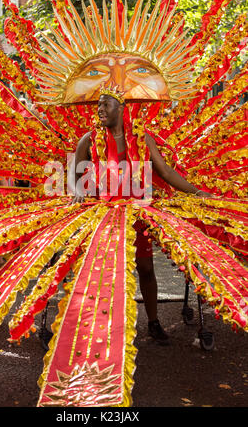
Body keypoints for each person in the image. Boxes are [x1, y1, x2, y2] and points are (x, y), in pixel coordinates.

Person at [69, 92, 212, 345]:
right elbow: (76, 172)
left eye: (105, 104)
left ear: (120, 108)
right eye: (98, 104)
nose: (100, 109)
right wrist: (79, 191)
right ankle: (105, 328)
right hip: (105, 218)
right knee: (105, 273)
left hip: (137, 213)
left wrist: (196, 191)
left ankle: (153, 321)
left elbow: (165, 171)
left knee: (146, 268)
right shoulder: (88, 140)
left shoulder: (141, 138)